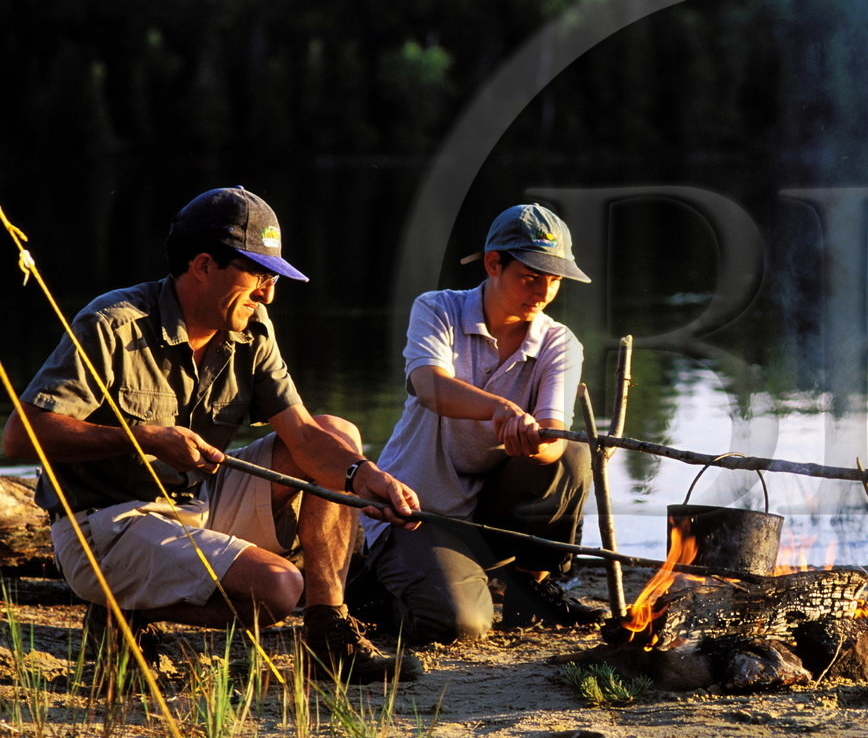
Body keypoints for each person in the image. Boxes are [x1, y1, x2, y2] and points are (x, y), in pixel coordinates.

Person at [1, 186, 424, 684]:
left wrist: (365, 477)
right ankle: (125, 614)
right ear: (203, 265)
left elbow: (306, 437)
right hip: (106, 523)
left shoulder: (252, 329)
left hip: (197, 501)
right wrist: (146, 437)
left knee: (338, 432)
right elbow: (19, 438)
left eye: (273, 277)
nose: (269, 292)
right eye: (259, 275)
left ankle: (328, 635)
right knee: (278, 590)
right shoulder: (112, 323)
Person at [357, 202, 600, 644]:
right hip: (413, 512)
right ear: (493, 264)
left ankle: (531, 585)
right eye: (530, 277)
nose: (543, 292)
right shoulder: (438, 309)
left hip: (490, 512)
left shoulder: (558, 341)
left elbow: (553, 440)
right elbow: (430, 386)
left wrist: (534, 441)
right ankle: (381, 584)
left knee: (575, 454)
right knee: (462, 625)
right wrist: (498, 410)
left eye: (554, 280)